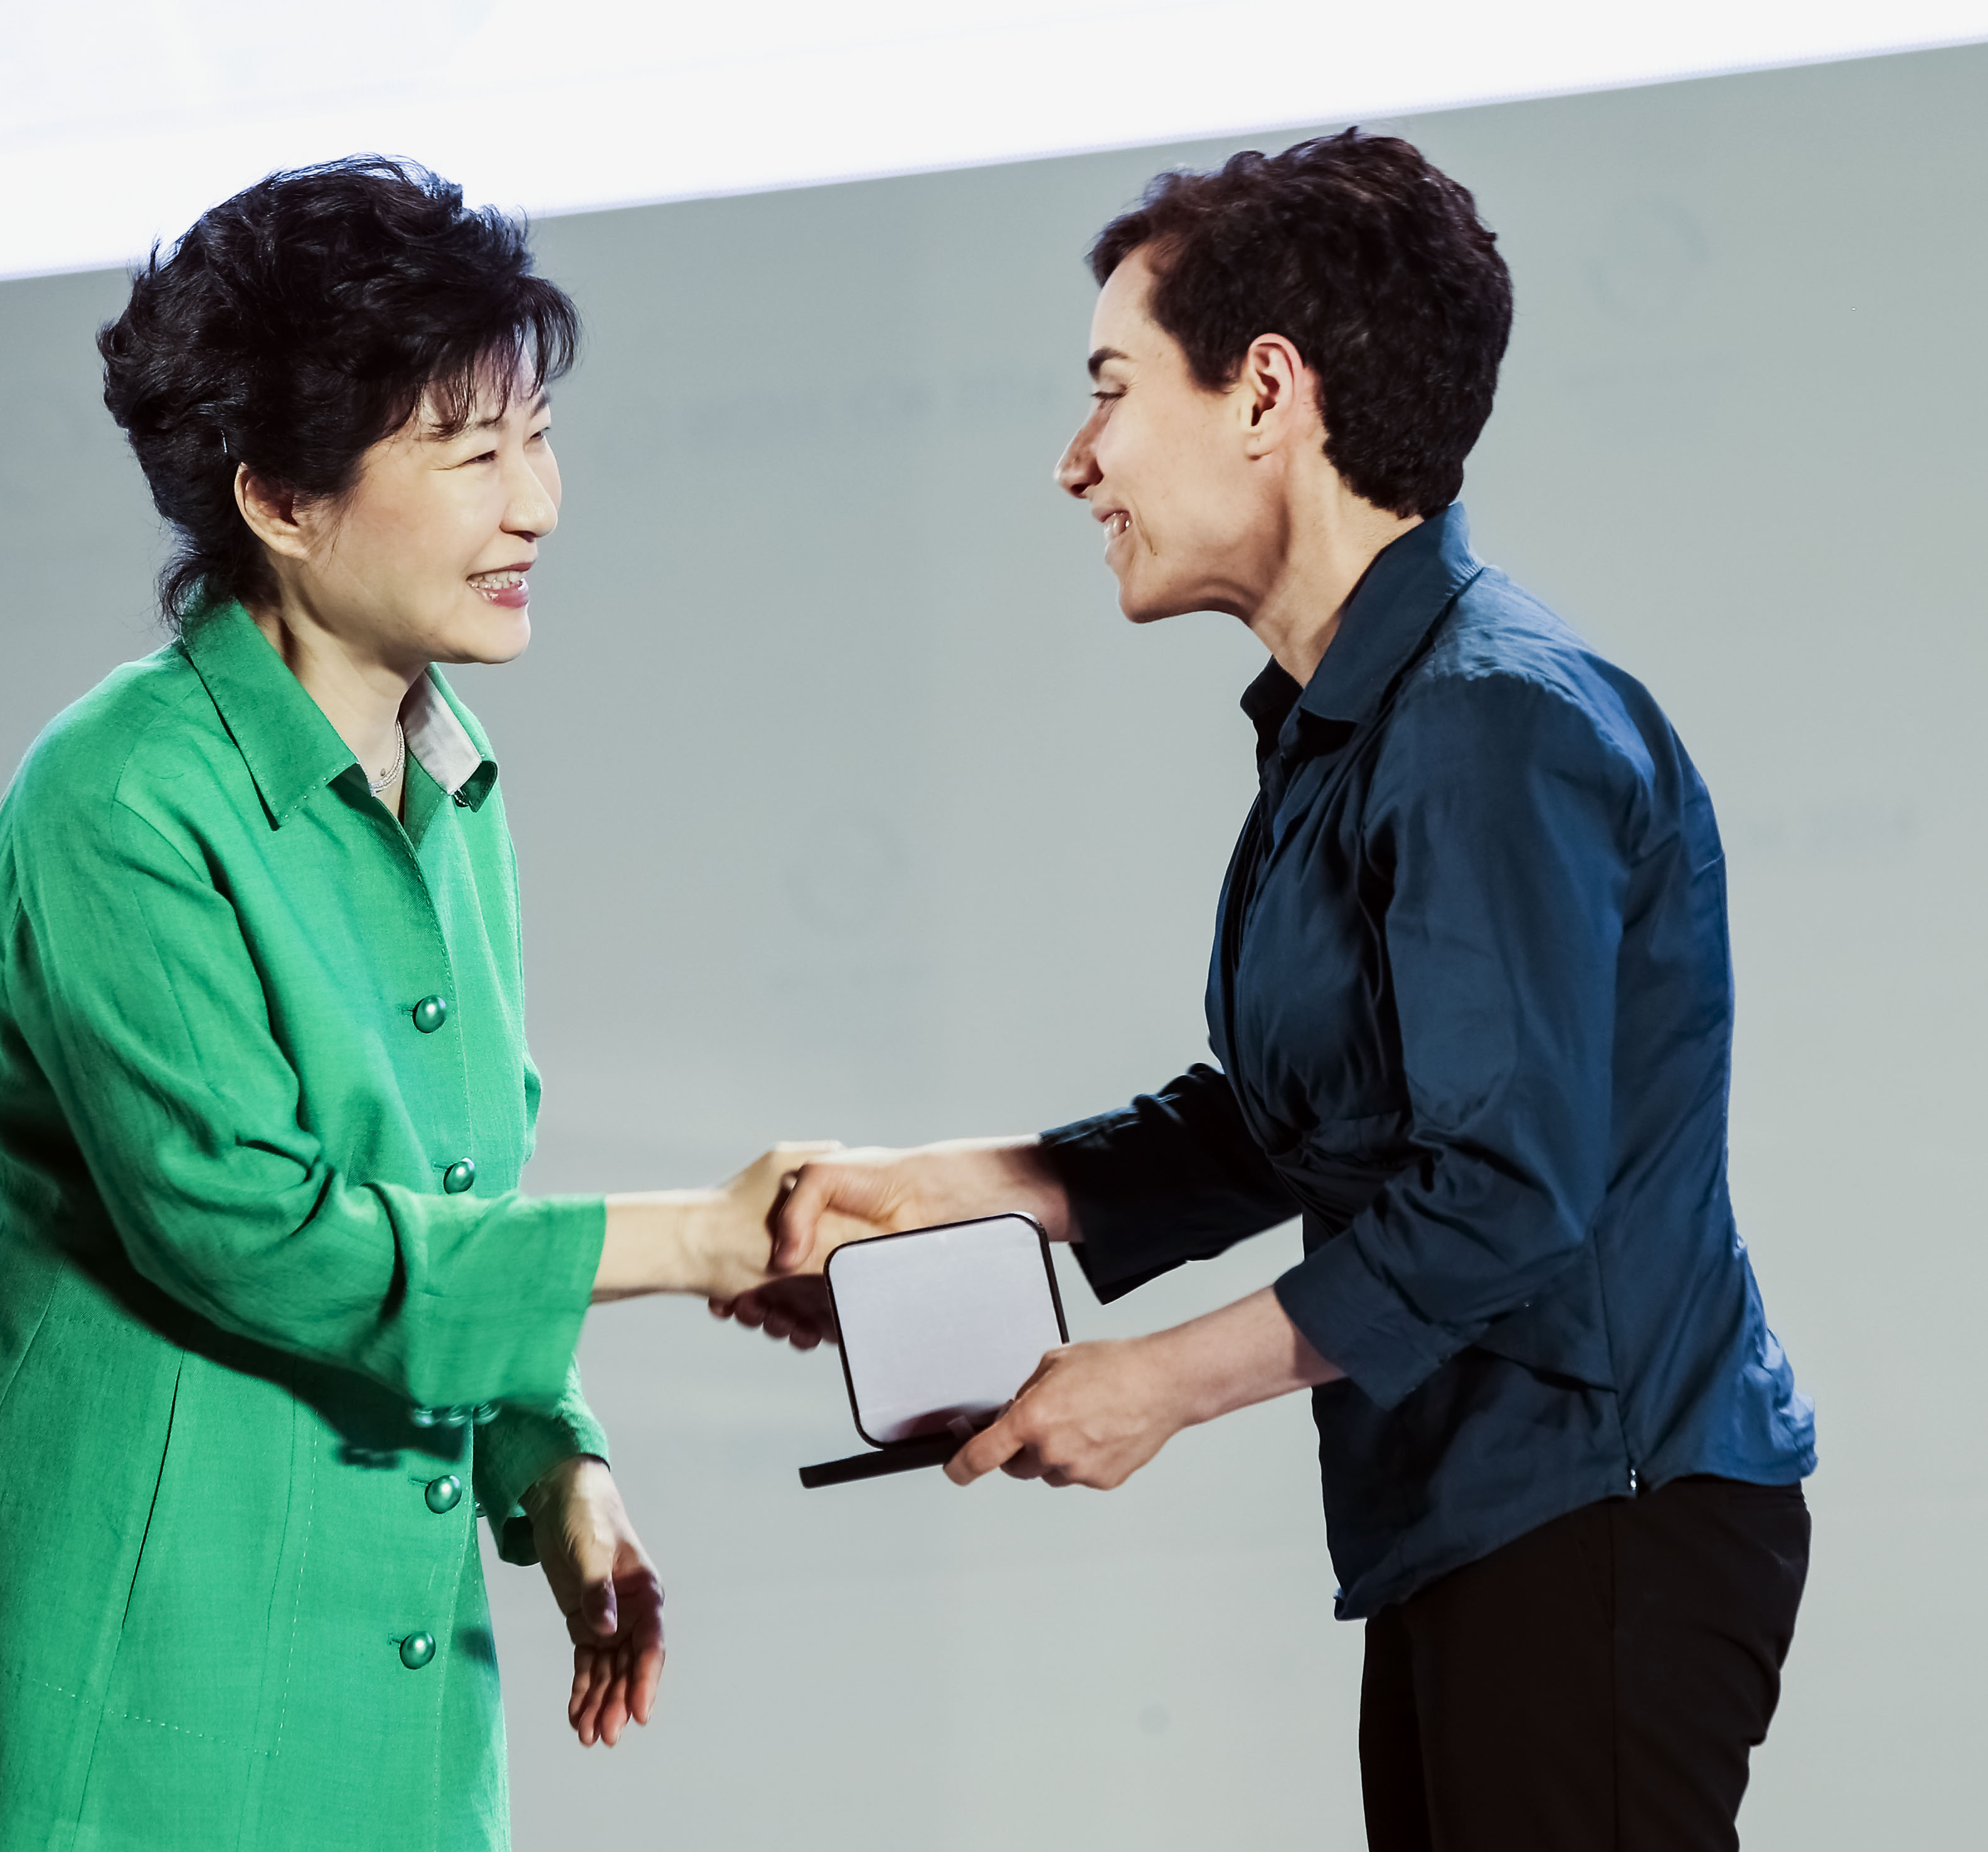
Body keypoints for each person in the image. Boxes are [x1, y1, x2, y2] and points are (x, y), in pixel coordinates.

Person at [751, 131, 1816, 1851]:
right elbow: (1293, 1124)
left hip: (1596, 1508)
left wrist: (1151, 1384)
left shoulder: (1489, 722)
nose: (1074, 461)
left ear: (1266, 394)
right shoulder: (1363, 727)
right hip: (1484, 1517)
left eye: (1110, 390)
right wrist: (972, 1196)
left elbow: (1500, 1198)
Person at [0, 157, 854, 1852]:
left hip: (377, 1639)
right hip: (135, 1646)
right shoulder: (119, 795)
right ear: (281, 499)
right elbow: (267, 1238)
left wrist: (552, 1466)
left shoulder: (447, 773)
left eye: (537, 434)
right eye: (468, 452)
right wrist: (706, 1240)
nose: (538, 504)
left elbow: (439, 1211)